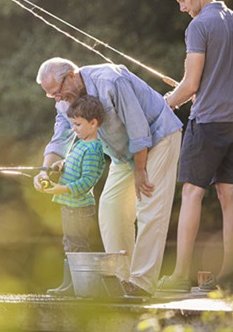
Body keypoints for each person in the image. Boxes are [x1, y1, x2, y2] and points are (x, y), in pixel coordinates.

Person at [34, 58, 182, 297]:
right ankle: (122, 279)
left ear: (72, 75)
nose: (58, 99)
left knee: (149, 206)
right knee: (111, 207)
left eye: (58, 92)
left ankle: (142, 283)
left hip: (157, 137)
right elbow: (61, 134)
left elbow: (138, 128)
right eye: (52, 96)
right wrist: (44, 170)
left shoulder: (110, 80)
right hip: (123, 152)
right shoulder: (65, 101)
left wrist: (140, 170)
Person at [158, 0, 233, 292]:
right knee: (230, 194)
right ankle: (231, 276)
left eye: (183, 0)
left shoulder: (199, 26)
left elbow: (188, 85)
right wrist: (216, 88)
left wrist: (167, 103)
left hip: (207, 124)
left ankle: (179, 276)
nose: (182, 8)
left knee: (191, 193)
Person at [40, 95, 106, 296]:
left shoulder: (94, 149)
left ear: (93, 123)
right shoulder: (79, 143)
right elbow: (72, 165)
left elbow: (87, 181)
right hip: (69, 206)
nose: (74, 129)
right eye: (73, 124)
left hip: (79, 208)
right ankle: (69, 285)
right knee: (69, 244)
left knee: (78, 246)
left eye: (78, 124)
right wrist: (61, 165)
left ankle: (78, 287)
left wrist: (62, 189)